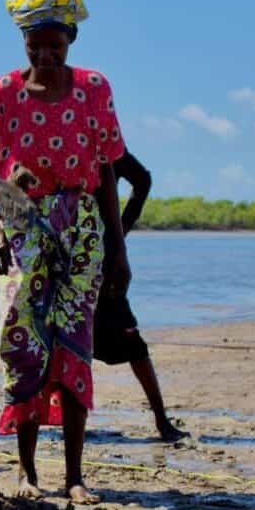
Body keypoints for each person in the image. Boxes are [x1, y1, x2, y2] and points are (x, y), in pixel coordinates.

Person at [0, 0, 130, 504]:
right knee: (21, 341)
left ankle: (75, 475)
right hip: (17, 213)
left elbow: (105, 171)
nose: (45, 57)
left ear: (71, 41)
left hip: (80, 219)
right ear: (23, 43)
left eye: (54, 46)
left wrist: (117, 247)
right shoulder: (3, 92)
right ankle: (27, 473)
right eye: (35, 46)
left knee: (75, 344)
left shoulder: (93, 89)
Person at [93, 150, 188, 442]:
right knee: (66, 344)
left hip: (103, 260)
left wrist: (119, 233)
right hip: (68, 256)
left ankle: (161, 421)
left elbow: (142, 181)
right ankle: (57, 421)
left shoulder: (104, 145)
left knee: (132, 343)